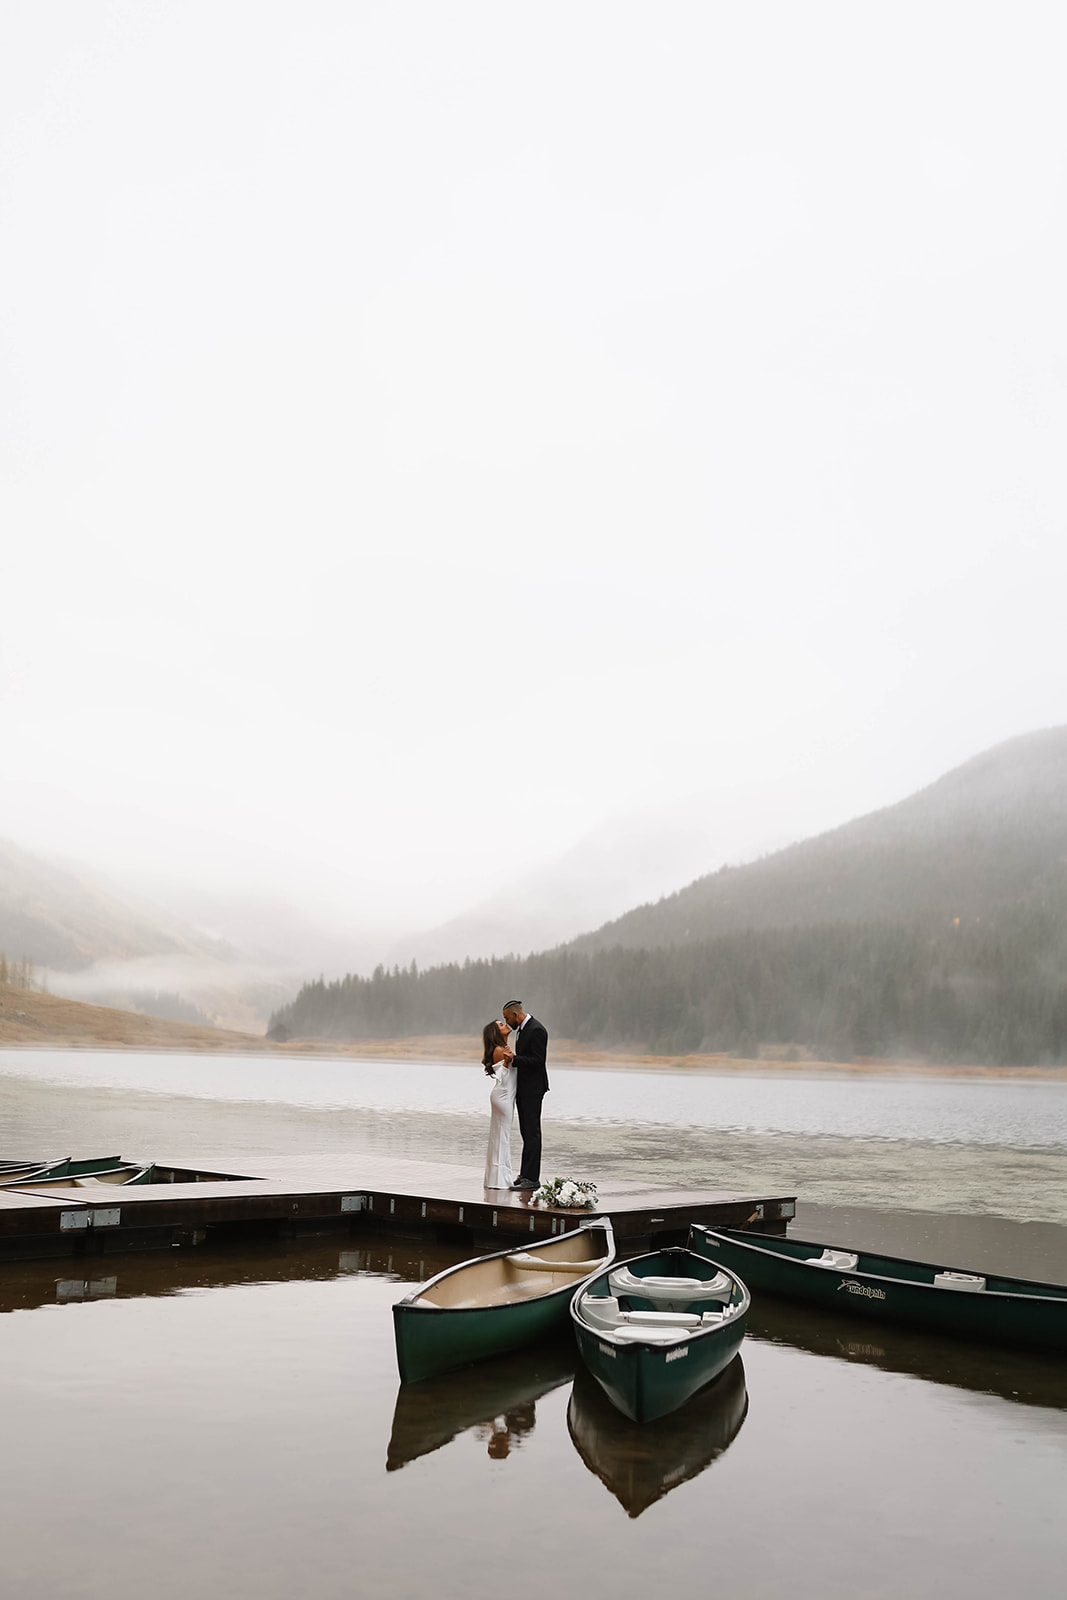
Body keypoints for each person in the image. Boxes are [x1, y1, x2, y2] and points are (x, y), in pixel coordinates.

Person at [501, 1000, 549, 1190]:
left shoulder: (536, 1029)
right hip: (525, 1088)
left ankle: (532, 1179)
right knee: (526, 1132)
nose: (506, 1022)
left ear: (515, 1014)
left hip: (533, 1088)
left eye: (507, 1018)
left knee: (532, 1133)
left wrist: (515, 1059)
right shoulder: (523, 1028)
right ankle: (525, 1174)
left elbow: (538, 1061)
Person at [481, 1018, 516, 1189]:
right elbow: (504, 1074)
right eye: (501, 1024)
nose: (505, 1024)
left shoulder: (504, 1049)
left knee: (500, 1137)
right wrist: (509, 1060)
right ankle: (500, 1180)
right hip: (503, 1096)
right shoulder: (499, 1050)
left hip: (504, 1095)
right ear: (496, 1032)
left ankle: (497, 1179)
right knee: (501, 1137)